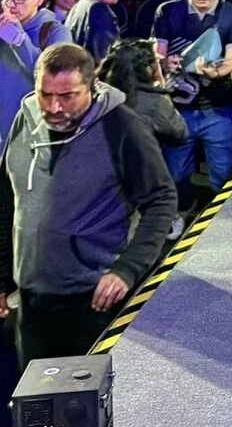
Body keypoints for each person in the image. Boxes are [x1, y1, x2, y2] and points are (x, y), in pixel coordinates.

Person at [0, 43, 177, 368]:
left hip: (92, 303)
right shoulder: (26, 119)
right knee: (36, 395)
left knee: (85, 396)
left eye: (68, 96)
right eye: (45, 94)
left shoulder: (121, 127)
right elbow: (5, 199)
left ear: (92, 87)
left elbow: (162, 199)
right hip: (31, 301)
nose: (54, 107)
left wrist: (126, 270)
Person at [152, 0, 232, 226]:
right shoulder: (167, 11)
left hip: (218, 109)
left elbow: (231, 61)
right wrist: (164, 63)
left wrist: (214, 72)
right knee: (175, 173)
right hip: (177, 111)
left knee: (222, 173)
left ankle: (223, 223)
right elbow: (157, 54)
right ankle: (178, 214)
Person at [1, 0, 73, 155]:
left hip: (32, 128)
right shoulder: (3, 27)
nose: (11, 5)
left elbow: (53, 78)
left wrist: (19, 40)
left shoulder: (55, 31)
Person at [97, 38, 189, 148]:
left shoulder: (98, 92)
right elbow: (180, 134)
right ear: (148, 68)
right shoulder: (155, 102)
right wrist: (162, 90)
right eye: (156, 61)